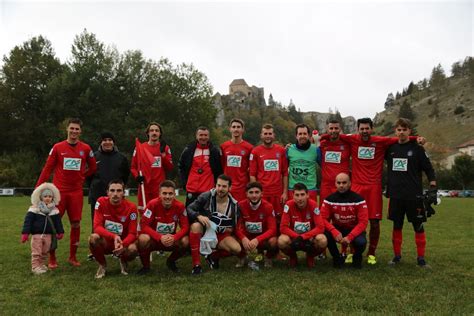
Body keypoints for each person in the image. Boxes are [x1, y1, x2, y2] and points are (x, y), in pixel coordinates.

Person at [325, 117, 423, 265]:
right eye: (362, 128)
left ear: (371, 129)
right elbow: (333, 134)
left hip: (374, 187)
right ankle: (349, 252)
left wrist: (417, 138)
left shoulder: (380, 141)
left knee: (374, 222)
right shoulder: (352, 140)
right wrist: (319, 137)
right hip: (357, 186)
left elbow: (399, 138)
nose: (364, 131)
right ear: (358, 129)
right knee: (350, 221)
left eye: (367, 128)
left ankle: (371, 253)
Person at [36, 118, 97, 268]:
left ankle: (72, 256)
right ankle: (52, 258)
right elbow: (47, 168)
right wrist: (38, 188)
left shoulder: (86, 149)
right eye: (72, 128)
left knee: (76, 223)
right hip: (58, 192)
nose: (74, 131)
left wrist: (83, 176)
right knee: (52, 223)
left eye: (77, 129)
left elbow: (94, 167)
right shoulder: (57, 147)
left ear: (80, 131)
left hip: (76, 193)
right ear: (67, 129)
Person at [385, 118, 437, 268]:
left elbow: (429, 169)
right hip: (395, 196)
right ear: (395, 131)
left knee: (418, 226)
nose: (401, 132)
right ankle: (396, 256)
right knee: (397, 225)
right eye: (399, 129)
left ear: (409, 131)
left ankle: (421, 259)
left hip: (414, 196)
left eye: (404, 129)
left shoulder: (417, 149)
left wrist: (433, 186)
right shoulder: (391, 148)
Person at [187, 174, 240, 275]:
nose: (220, 189)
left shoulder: (234, 205)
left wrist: (231, 230)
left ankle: (213, 255)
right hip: (205, 230)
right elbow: (189, 208)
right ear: (215, 185)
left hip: (220, 233)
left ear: (230, 188)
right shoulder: (206, 196)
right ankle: (196, 265)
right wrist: (198, 216)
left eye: (224, 186)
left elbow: (234, 225)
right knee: (195, 226)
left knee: (236, 248)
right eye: (218, 185)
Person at [88, 180, 138, 279]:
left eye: (119, 191)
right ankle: (102, 265)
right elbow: (96, 227)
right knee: (93, 238)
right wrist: (114, 236)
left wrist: (123, 244)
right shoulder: (101, 202)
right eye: (112, 190)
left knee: (133, 249)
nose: (115, 194)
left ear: (124, 193)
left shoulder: (131, 207)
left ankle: (123, 260)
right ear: (107, 192)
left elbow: (133, 233)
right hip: (106, 242)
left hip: (122, 244)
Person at [137, 180, 189, 274]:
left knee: (186, 241)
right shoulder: (152, 204)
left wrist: (174, 237)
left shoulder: (180, 206)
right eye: (164, 193)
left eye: (170, 194)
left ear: (174, 194)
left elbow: (185, 227)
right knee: (143, 239)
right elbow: (144, 225)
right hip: (154, 240)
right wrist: (160, 237)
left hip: (170, 240)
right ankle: (146, 267)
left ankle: (171, 261)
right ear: (159, 194)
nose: (167, 197)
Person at [321, 173, 368, 269]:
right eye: (339, 183)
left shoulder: (359, 199)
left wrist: (350, 237)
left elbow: (363, 222)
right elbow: (323, 219)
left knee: (361, 242)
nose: (341, 185)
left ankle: (357, 256)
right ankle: (336, 257)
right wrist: (334, 231)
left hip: (353, 229)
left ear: (350, 183)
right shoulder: (329, 199)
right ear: (335, 183)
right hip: (338, 229)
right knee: (325, 235)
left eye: (344, 182)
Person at [278, 183, 327, 268]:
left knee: (322, 240)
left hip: (310, 239)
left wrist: (304, 237)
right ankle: (293, 257)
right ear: (293, 195)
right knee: (282, 241)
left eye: (302, 195)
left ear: (307, 195)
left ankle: (310, 256)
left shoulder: (313, 205)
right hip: (294, 239)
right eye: (297, 195)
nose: (300, 198)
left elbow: (320, 227)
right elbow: (283, 227)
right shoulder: (288, 205)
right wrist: (297, 237)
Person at [88, 132, 129, 231]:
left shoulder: (121, 158)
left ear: (114, 143)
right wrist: (95, 186)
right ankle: (97, 243)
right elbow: (88, 176)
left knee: (116, 222)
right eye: (105, 140)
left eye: (110, 140)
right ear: (101, 143)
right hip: (97, 195)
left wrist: (118, 190)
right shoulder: (93, 157)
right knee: (97, 222)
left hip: (115, 196)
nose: (107, 142)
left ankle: (116, 241)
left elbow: (126, 176)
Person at [21, 183, 64, 274]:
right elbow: (27, 222)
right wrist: (25, 233)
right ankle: (35, 267)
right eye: (45, 196)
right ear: (41, 197)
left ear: (53, 198)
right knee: (37, 251)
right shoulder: (34, 209)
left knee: (45, 251)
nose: (47, 198)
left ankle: (41, 264)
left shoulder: (55, 210)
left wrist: (60, 231)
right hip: (37, 235)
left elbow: (58, 222)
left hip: (48, 235)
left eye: (50, 196)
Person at [250, 123, 288, 225]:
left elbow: (285, 173)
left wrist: (284, 192)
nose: (268, 136)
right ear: (261, 135)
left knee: (279, 220)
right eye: (265, 133)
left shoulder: (281, 151)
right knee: (262, 219)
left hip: (277, 193)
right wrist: (256, 192)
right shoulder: (255, 152)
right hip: (263, 193)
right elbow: (252, 175)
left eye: (270, 133)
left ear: (273, 135)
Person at [131, 122, 173, 211]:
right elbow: (133, 167)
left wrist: (163, 154)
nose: (154, 133)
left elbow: (169, 167)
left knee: (159, 214)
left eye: (157, 131)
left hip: (159, 189)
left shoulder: (165, 148)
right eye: (152, 130)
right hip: (144, 187)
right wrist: (137, 176)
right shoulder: (140, 148)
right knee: (144, 215)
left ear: (160, 133)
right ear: (148, 133)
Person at [235, 182, 278, 268]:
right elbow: (235, 227)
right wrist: (243, 238)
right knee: (233, 239)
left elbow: (272, 229)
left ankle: (268, 257)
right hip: (247, 237)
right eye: (251, 192)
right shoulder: (240, 205)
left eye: (257, 192)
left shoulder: (268, 206)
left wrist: (258, 239)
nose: (254, 195)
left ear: (262, 194)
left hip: (262, 238)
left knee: (274, 241)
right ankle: (242, 257)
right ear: (246, 194)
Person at [178, 126, 222, 206]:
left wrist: (216, 185)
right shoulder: (188, 149)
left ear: (209, 136)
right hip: (192, 190)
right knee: (190, 215)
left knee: (207, 217)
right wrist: (184, 183)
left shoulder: (214, 151)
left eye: (205, 135)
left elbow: (219, 169)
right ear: (196, 136)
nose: (203, 137)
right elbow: (181, 167)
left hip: (208, 191)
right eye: (201, 135)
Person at [319, 119, 351, 206]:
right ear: (327, 129)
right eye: (331, 128)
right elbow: (310, 142)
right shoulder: (322, 144)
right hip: (326, 186)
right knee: (324, 215)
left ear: (340, 129)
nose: (333, 130)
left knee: (343, 216)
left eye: (336, 128)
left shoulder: (347, 144)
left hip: (342, 186)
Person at [220, 118, 253, 202]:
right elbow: (222, 166)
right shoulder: (223, 146)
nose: (236, 129)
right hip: (226, 186)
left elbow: (252, 169)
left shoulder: (249, 148)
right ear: (230, 129)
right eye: (234, 127)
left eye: (238, 127)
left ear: (242, 129)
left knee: (240, 212)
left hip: (242, 187)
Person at [286, 124, 320, 202]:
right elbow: (284, 171)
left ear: (308, 135)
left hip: (310, 190)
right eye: (300, 134)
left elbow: (325, 167)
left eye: (304, 134)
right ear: (296, 136)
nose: (302, 136)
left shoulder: (315, 150)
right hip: (293, 190)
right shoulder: (289, 149)